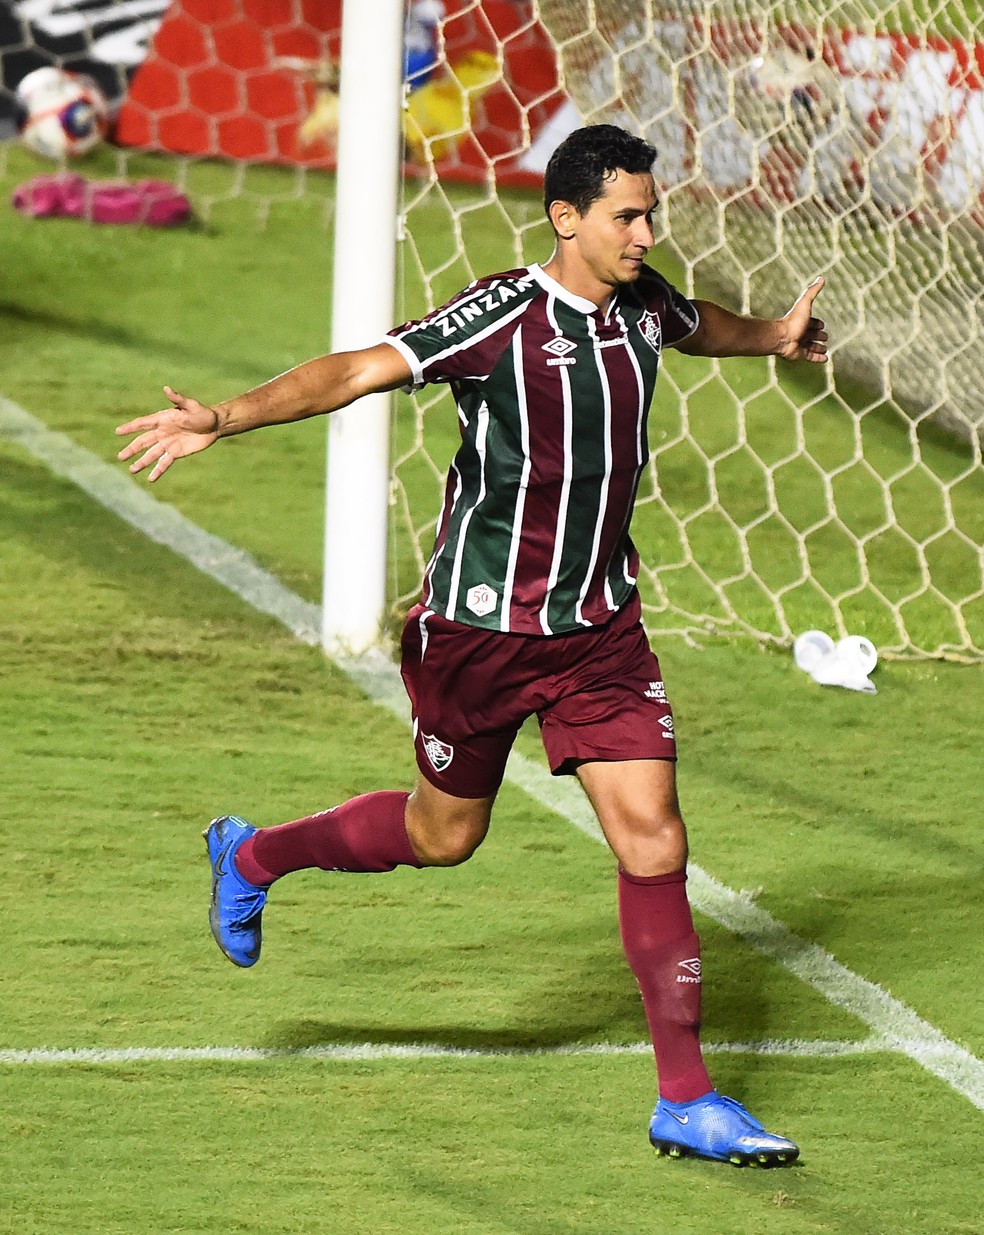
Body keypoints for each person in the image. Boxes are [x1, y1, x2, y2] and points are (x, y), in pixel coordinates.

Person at [116, 124, 827, 1168]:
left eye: (649, 213)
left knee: (656, 839)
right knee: (444, 834)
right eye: (626, 215)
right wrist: (229, 414)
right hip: (479, 634)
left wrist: (772, 336)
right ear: (567, 218)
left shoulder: (643, 304)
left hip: (598, 630)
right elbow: (359, 368)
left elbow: (696, 324)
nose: (645, 232)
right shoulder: (499, 316)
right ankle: (253, 853)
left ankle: (686, 1096)